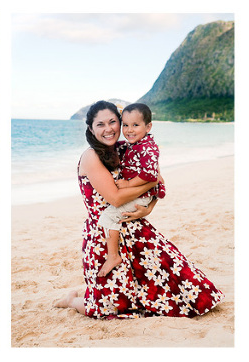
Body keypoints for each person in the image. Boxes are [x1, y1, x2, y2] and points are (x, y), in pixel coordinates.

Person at [56, 100, 223, 318]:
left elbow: (156, 174)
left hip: (135, 227)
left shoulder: (126, 148)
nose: (108, 129)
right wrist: (152, 183)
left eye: (113, 122)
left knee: (172, 281)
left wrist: (150, 207)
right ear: (90, 129)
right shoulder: (91, 156)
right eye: (100, 124)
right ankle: (73, 300)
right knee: (109, 307)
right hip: (105, 236)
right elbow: (116, 198)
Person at [97, 103, 166, 277]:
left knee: (108, 216)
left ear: (148, 126)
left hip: (140, 195)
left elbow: (152, 175)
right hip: (141, 195)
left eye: (135, 125)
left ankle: (113, 256)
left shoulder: (146, 147)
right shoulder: (133, 145)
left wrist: (128, 184)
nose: (129, 130)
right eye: (126, 125)